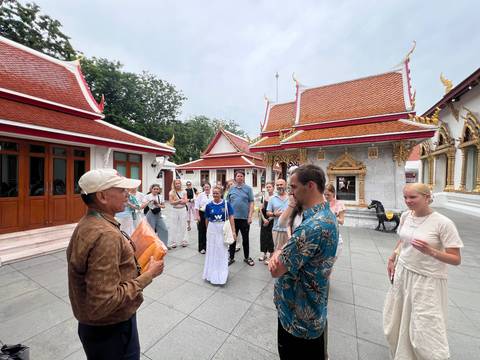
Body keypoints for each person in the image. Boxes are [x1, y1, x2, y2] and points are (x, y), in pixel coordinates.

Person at [67, 168, 164, 360]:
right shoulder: (106, 236)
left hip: (95, 327)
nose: (126, 194)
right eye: (121, 189)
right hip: (111, 330)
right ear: (102, 196)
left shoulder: (90, 223)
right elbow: (104, 302)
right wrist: (149, 275)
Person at [383, 183, 463, 360]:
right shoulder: (406, 216)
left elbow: (456, 259)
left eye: (413, 197)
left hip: (427, 279)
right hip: (403, 272)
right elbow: (404, 240)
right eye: (405, 197)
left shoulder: (443, 223)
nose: (408, 201)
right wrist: (393, 257)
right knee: (397, 318)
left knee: (424, 327)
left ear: (427, 198)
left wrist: (431, 251)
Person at [269, 164, 338, 359]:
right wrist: (284, 249)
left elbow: (276, 270)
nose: (291, 192)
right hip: (311, 307)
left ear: (310, 186)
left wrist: (276, 254)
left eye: (293, 187)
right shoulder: (325, 216)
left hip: (298, 316)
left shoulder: (312, 227)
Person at [202, 186, 236, 285]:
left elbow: (231, 217)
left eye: (217, 193)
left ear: (221, 193)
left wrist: (233, 231)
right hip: (212, 229)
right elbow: (207, 219)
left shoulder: (226, 204)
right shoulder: (209, 205)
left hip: (223, 229)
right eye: (214, 193)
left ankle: (222, 273)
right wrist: (208, 230)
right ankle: (211, 272)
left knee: (222, 250)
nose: (215, 195)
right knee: (212, 250)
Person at [226, 171, 255, 266]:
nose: (239, 177)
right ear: (235, 178)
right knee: (233, 238)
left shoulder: (248, 189)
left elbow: (251, 202)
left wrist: (250, 216)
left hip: (244, 218)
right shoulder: (231, 188)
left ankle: (246, 257)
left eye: (241, 176)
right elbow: (227, 202)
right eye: (238, 176)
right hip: (233, 218)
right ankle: (231, 257)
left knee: (245, 239)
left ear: (243, 178)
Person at [267, 179, 290, 250]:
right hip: (277, 229)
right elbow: (268, 212)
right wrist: (274, 214)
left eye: (281, 184)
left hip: (289, 229)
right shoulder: (272, 198)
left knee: (288, 251)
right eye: (277, 185)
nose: (279, 186)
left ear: (285, 185)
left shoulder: (291, 197)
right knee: (277, 251)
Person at [324, 183, 345, 259]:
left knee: (331, 261)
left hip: (334, 234)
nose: (326, 197)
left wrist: (332, 216)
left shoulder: (339, 204)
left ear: (333, 193)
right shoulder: (322, 204)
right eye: (325, 194)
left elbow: (342, 221)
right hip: (323, 235)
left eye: (328, 195)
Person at [168, 179, 189, 248]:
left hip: (183, 209)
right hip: (174, 210)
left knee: (183, 225)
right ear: (174, 184)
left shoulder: (184, 191)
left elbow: (185, 201)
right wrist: (180, 200)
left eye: (179, 183)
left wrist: (176, 201)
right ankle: (173, 242)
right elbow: (171, 202)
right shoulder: (171, 192)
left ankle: (184, 240)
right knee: (174, 226)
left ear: (181, 184)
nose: (178, 185)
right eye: (176, 183)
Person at [258, 182, 275, 264]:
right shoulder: (264, 197)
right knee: (263, 236)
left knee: (270, 237)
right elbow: (260, 209)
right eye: (267, 187)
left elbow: (275, 212)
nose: (268, 188)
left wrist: (268, 220)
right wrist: (264, 219)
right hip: (264, 219)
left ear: (273, 187)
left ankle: (271, 256)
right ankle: (264, 253)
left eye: (270, 187)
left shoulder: (275, 197)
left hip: (272, 220)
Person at [195, 182, 212, 254]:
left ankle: (208, 247)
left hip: (211, 214)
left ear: (210, 187)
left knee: (210, 231)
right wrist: (197, 215)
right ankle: (201, 247)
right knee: (202, 231)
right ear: (203, 188)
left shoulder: (212, 194)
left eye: (208, 186)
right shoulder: (200, 195)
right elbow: (196, 206)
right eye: (205, 187)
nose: (207, 188)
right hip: (202, 213)